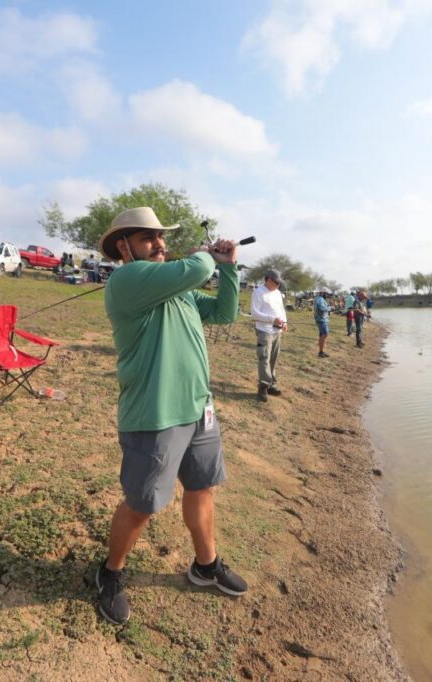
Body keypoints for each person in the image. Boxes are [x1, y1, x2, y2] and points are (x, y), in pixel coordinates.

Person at [95, 206, 247, 625]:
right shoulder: (127, 280)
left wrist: (229, 270)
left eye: (161, 237)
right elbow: (196, 270)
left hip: (199, 408)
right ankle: (110, 572)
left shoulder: (174, 288)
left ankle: (206, 565)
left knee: (202, 488)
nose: (159, 244)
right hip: (155, 415)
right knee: (143, 504)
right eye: (148, 238)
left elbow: (223, 313)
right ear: (123, 247)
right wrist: (205, 254)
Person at [251, 269, 288, 402]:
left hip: (277, 331)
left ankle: (271, 383)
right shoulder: (258, 292)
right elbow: (254, 314)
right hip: (264, 331)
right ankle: (263, 387)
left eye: (279, 282)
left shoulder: (277, 293)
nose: (278, 285)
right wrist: (272, 319)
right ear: (268, 280)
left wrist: (284, 322)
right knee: (264, 358)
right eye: (276, 282)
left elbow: (281, 310)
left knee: (273, 358)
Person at [314, 286, 330, 358]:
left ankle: (321, 351)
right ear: (322, 293)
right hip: (321, 319)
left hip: (322, 319)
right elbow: (321, 308)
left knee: (322, 335)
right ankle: (321, 352)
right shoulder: (320, 299)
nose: (327, 295)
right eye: (326, 293)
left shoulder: (320, 299)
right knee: (325, 334)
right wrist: (329, 308)